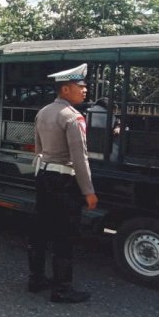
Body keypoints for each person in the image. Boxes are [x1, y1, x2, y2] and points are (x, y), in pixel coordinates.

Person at [29, 63, 97, 303]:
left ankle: (36, 279)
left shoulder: (43, 111)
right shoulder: (72, 117)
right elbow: (80, 158)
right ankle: (62, 289)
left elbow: (38, 148)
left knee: (40, 230)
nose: (85, 90)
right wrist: (88, 191)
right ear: (66, 90)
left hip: (44, 176)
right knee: (64, 235)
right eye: (80, 86)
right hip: (64, 182)